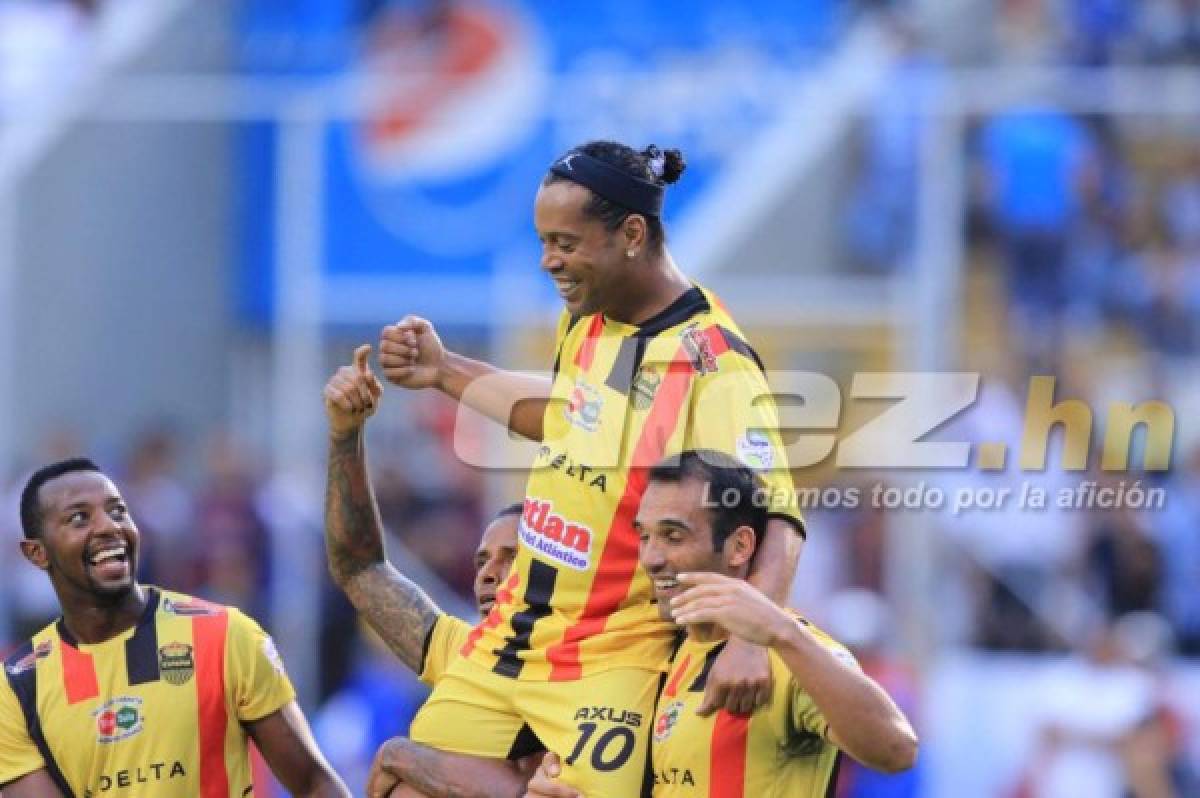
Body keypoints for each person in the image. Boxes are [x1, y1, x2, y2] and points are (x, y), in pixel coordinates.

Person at [377, 140, 807, 796]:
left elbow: (778, 516)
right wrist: (445, 371)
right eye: (544, 242)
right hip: (512, 635)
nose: (550, 261)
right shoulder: (589, 321)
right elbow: (566, 416)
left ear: (631, 233)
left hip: (615, 655)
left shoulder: (714, 364)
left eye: (565, 243)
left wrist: (755, 637)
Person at [525, 450, 918, 798]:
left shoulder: (785, 653)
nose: (651, 558)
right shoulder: (664, 651)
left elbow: (897, 750)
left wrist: (782, 633)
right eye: (644, 536)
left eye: (673, 536)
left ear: (739, 546)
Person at [0, 458, 349, 797]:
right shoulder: (16, 686)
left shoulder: (225, 635)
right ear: (37, 553)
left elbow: (314, 785)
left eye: (118, 511)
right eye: (79, 518)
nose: (109, 527)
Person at [323, 345, 536, 798]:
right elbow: (359, 568)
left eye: (510, 557)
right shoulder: (458, 649)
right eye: (481, 560)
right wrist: (346, 437)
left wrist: (403, 756)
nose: (488, 573)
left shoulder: (580, 667)